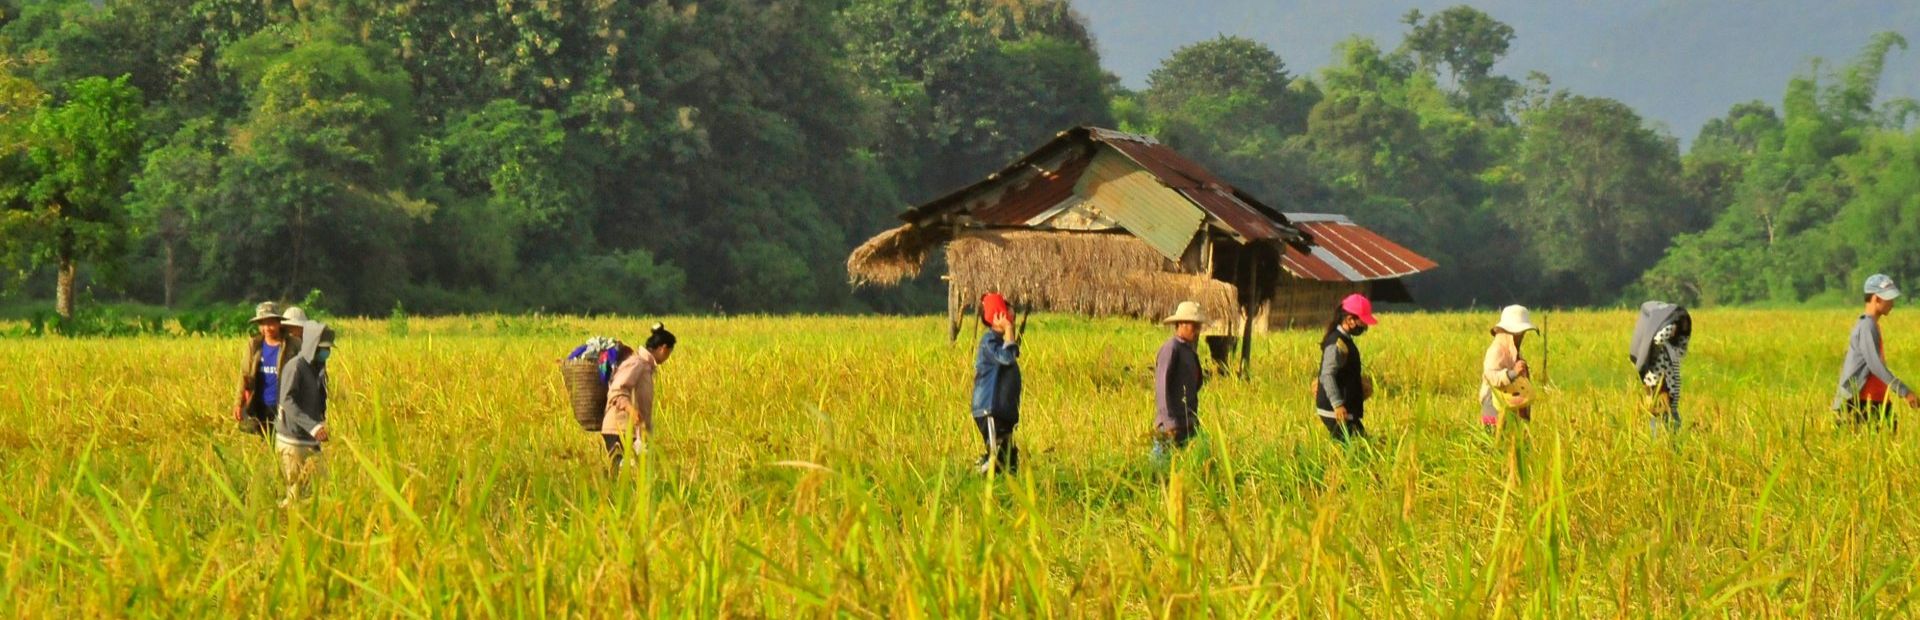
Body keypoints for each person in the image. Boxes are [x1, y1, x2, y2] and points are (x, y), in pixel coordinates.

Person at [1831, 274, 1920, 428]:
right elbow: (1875, 366)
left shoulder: (1872, 325)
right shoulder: (1867, 326)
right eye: (1888, 299)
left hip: (1877, 400)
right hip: (1861, 403)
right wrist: (1905, 392)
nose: (1892, 303)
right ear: (1875, 298)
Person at [274, 308, 333, 508]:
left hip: (310, 438)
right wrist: (313, 427)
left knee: (318, 489)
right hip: (293, 439)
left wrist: (320, 424)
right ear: (310, 347)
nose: (326, 353)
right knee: (295, 493)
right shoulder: (295, 367)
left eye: (328, 349)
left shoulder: (318, 369)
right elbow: (287, 401)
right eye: (322, 349)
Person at [604, 323, 676, 470]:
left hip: (632, 431)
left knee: (635, 474)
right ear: (663, 348)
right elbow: (617, 390)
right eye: (669, 353)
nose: (667, 357)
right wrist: (632, 411)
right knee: (621, 474)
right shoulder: (636, 363)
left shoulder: (646, 367)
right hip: (619, 428)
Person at [1315, 294, 1378, 442]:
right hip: (1337, 412)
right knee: (1356, 450)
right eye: (1362, 323)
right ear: (1350, 320)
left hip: (1345, 410)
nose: (1364, 327)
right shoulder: (1337, 343)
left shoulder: (1345, 340)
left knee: (1363, 444)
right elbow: (1327, 374)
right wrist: (1337, 404)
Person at [971, 293, 1022, 474]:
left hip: (1003, 411)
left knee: (1009, 459)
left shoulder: (1000, 342)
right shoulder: (989, 341)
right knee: (994, 456)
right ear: (997, 317)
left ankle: (1006, 489)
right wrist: (1008, 330)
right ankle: (979, 474)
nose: (1012, 325)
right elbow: (1007, 358)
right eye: (1009, 319)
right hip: (990, 409)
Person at [234, 301, 299, 436]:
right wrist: (238, 403)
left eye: (271, 323)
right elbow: (244, 375)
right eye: (263, 324)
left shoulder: (292, 345)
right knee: (265, 441)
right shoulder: (255, 345)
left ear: (279, 323)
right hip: (261, 404)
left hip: (285, 405)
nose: (267, 328)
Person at [1152, 301, 1206, 461]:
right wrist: (1169, 422)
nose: (1197, 331)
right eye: (1193, 325)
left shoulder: (1189, 351)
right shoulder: (1171, 349)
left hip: (1187, 424)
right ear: (1181, 324)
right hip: (1170, 426)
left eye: (1198, 326)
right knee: (1159, 474)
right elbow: (1162, 387)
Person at [1630, 301, 1691, 432]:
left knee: (1671, 420)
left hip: (1671, 391)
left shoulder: (1672, 348)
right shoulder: (1658, 349)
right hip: (1660, 388)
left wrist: (1682, 333)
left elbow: (1682, 350)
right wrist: (1669, 328)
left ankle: (1669, 443)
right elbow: (1657, 338)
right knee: (1659, 419)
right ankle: (1661, 444)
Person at [1480, 305, 1537, 429]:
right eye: (1519, 333)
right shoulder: (1496, 350)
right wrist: (1512, 373)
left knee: (1513, 440)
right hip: (1492, 404)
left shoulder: (1514, 352)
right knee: (1490, 440)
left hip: (1510, 404)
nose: (1522, 336)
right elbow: (1490, 376)